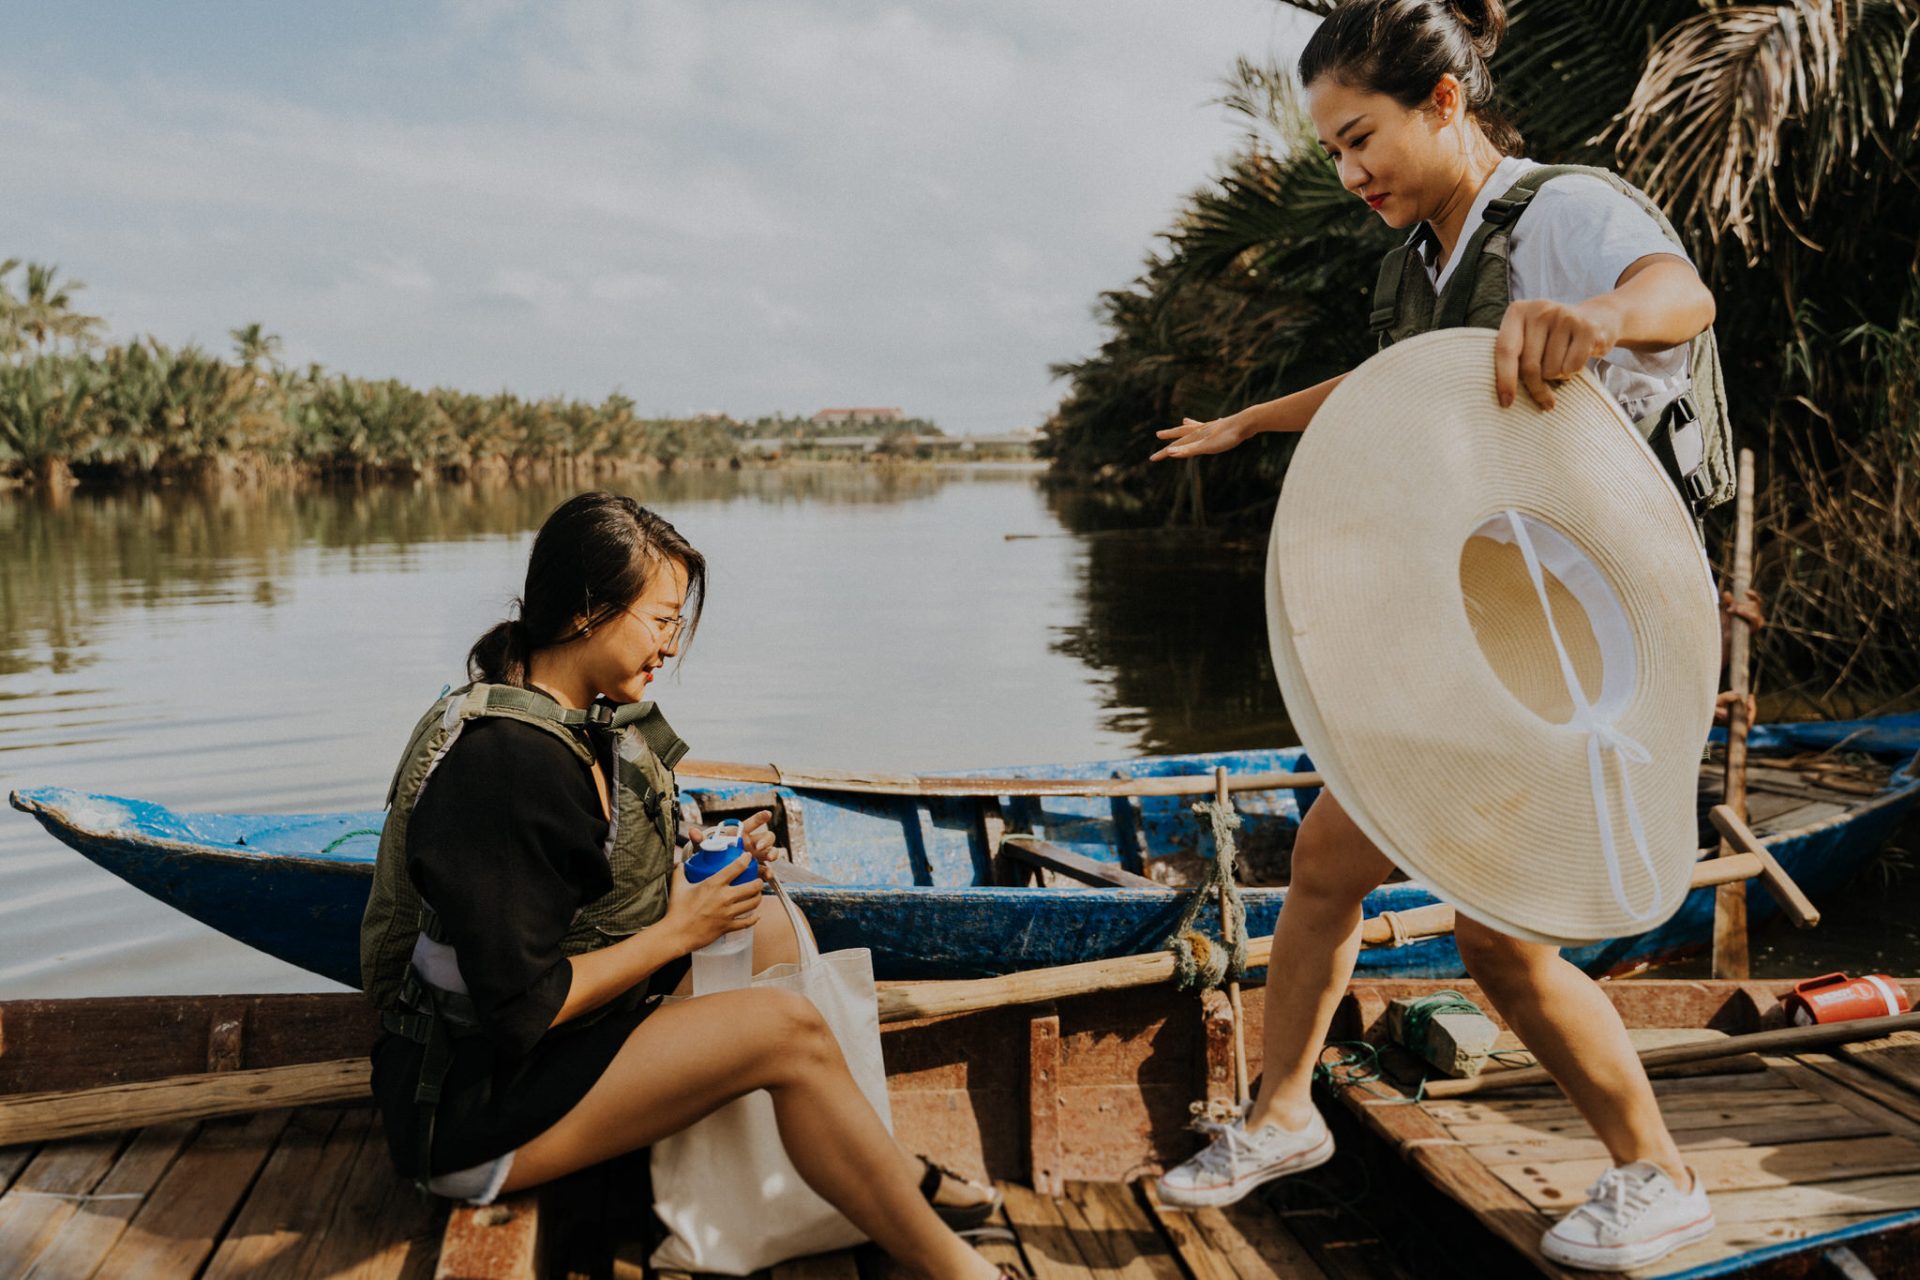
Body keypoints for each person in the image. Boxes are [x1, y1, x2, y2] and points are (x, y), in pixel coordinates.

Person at [1149, 1, 1742, 1270]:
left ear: (1443, 101)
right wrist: (1250, 422)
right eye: (1333, 155)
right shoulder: (1422, 257)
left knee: (1497, 933)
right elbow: (1387, 392)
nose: (1352, 172)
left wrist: (1600, 317)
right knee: (1325, 858)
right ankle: (1286, 1112)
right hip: (1482, 617)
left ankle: (1661, 1173)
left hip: (1582, 638)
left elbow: (1677, 292)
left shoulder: (1559, 209)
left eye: (1362, 137)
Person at [359, 491, 1007, 1278]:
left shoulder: (575, 723)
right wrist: (680, 930)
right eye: (661, 621)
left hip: (535, 1061)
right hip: (469, 1115)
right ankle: (953, 1266)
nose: (671, 646)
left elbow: (580, 902)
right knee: (784, 1031)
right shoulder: (506, 766)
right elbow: (521, 1008)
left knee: (769, 923)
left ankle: (853, 1176)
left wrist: (702, 876)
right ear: (591, 612)